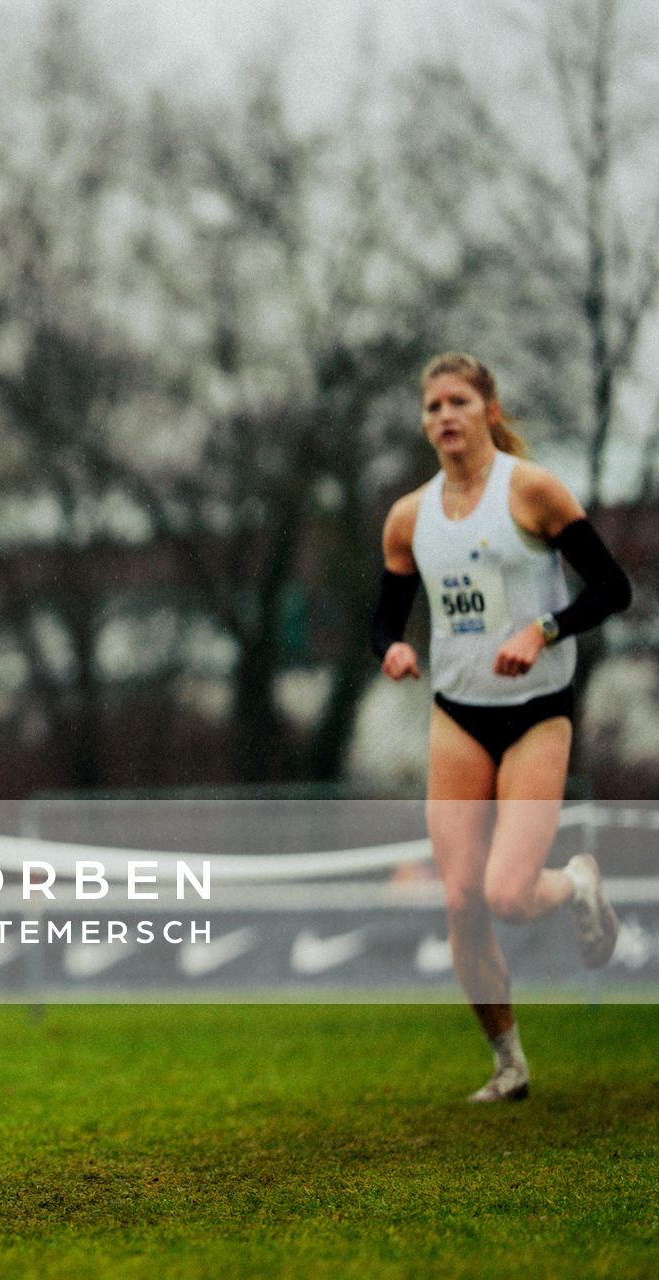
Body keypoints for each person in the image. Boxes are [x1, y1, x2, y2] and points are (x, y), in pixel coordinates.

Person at [372, 352, 632, 1102]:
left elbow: (613, 588)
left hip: (536, 716)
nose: (444, 416)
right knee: (460, 900)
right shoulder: (408, 518)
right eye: (432, 407)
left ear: (489, 409)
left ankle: (578, 882)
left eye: (458, 401)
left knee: (509, 894)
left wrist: (543, 630)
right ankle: (508, 1063)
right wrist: (390, 646)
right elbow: (384, 616)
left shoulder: (535, 492)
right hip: (459, 715)